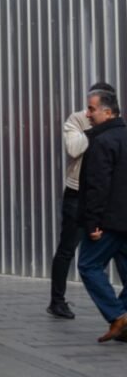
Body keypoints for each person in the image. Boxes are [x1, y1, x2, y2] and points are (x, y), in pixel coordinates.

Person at [49, 81, 116, 319]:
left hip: (106, 195)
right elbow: (74, 148)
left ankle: (119, 310)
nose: (92, 111)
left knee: (117, 249)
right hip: (77, 193)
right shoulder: (77, 119)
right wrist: (94, 129)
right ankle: (56, 300)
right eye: (92, 106)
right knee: (67, 248)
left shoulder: (115, 124)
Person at [76, 89, 127, 343]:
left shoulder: (102, 141)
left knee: (88, 265)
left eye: (92, 109)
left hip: (108, 222)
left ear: (108, 112)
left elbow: (98, 185)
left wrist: (92, 222)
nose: (88, 114)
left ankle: (119, 316)